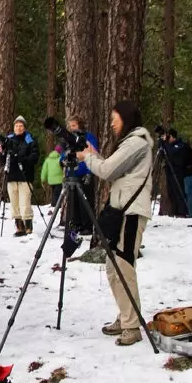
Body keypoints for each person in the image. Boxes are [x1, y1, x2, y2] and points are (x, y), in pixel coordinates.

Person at [77, 101, 154, 346]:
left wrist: (89, 158)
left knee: (123, 265)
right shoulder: (130, 142)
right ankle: (125, 316)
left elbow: (108, 170)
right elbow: (112, 166)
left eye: (115, 118)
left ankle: (132, 325)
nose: (112, 123)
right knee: (113, 266)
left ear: (127, 117)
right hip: (124, 209)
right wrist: (93, 155)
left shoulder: (137, 142)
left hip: (132, 212)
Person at [0, 116, 39, 236]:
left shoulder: (30, 139)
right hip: (11, 175)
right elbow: (1, 160)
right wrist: (2, 152)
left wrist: (22, 159)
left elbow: (35, 157)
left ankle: (28, 226)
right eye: (16, 125)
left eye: (21, 125)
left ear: (25, 127)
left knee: (25, 201)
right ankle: (19, 226)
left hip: (25, 175)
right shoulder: (8, 140)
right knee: (14, 202)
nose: (18, 128)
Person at [66, 116, 100, 235]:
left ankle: (87, 226)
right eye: (70, 126)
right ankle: (76, 224)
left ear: (80, 125)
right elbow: (65, 152)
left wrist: (90, 173)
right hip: (72, 174)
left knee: (85, 200)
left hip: (85, 172)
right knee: (73, 201)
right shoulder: (69, 138)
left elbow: (93, 153)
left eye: (74, 125)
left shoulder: (88, 137)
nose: (72, 128)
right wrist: (62, 162)